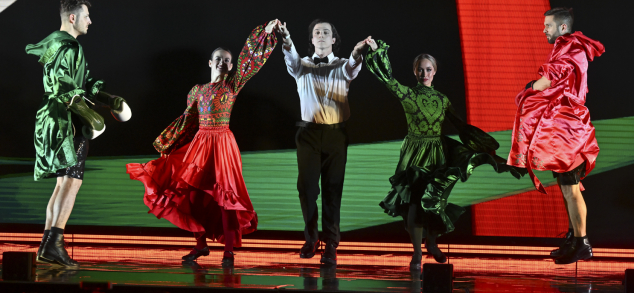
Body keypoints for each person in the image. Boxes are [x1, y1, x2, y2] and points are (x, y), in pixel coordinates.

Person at [126, 20, 278, 265]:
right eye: (218, 59)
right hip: (201, 144)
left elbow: (249, 62)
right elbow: (187, 120)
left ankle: (228, 251)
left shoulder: (232, 85)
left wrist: (264, 34)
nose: (222, 62)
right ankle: (200, 245)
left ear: (231, 66)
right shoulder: (197, 91)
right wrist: (169, 144)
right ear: (210, 62)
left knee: (226, 197)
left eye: (227, 60)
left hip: (223, 144)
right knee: (192, 196)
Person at [364, 38, 524, 269]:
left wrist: (487, 151)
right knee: (414, 204)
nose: (424, 73)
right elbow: (388, 79)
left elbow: (460, 125)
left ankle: (431, 243)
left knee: (435, 201)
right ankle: (417, 254)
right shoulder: (408, 94)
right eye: (420, 69)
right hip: (414, 155)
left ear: (435, 71)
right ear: (414, 71)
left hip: (438, 154)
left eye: (428, 69)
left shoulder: (442, 99)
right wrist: (378, 51)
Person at [25, 0, 131, 268]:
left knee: (63, 182)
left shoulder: (56, 42)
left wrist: (106, 98)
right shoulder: (69, 45)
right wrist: (91, 116)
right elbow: (65, 86)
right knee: (72, 181)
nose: (90, 21)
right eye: (86, 16)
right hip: (67, 118)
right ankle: (54, 244)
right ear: (72, 18)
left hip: (52, 116)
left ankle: (47, 245)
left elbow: (79, 82)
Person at [508, 7, 604, 265]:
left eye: (548, 25)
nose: (544, 30)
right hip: (562, 129)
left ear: (562, 27)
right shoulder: (569, 46)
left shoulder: (571, 47)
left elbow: (551, 78)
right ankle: (574, 239)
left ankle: (582, 243)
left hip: (569, 130)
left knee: (571, 188)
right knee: (566, 187)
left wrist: (530, 88)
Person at [275, 19, 368, 266]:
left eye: (326, 32)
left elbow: (353, 64)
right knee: (306, 189)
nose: (322, 35)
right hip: (308, 135)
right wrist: (286, 37)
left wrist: (357, 51)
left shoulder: (342, 66)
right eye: (317, 32)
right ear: (312, 39)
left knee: (332, 190)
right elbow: (290, 56)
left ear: (333, 39)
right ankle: (311, 238)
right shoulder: (302, 66)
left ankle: (331, 244)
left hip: (336, 135)